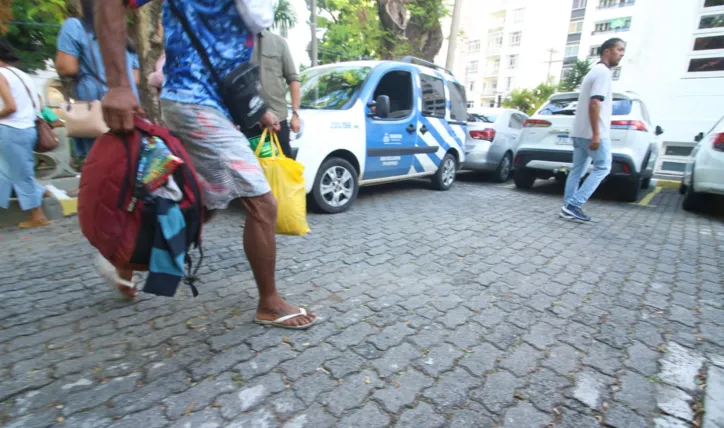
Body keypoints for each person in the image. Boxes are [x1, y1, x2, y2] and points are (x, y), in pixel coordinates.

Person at [94, 0, 317, 329]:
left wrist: (258, 111)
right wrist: (118, 85)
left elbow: (224, 58)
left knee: (197, 205)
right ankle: (269, 303)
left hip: (210, 104)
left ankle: (122, 260)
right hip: (192, 101)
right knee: (262, 203)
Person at [54, 0, 140, 169]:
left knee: (100, 164)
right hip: (130, 103)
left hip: (98, 106)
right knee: (129, 161)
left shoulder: (75, 26)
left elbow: (67, 66)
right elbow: (135, 78)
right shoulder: (126, 39)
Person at [560, 38, 625, 222]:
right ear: (607, 51)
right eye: (619, 50)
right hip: (593, 133)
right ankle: (574, 205)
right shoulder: (603, 73)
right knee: (603, 167)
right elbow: (595, 103)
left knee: (577, 170)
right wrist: (596, 133)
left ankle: (567, 206)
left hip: (579, 132)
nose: (621, 54)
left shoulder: (592, 72)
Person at [0, 39, 50, 229]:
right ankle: (43, 193)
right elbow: (38, 104)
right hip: (28, 128)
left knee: (20, 174)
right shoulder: (22, 74)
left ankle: (37, 214)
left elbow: (10, 107)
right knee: (7, 171)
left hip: (11, 129)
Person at [246, 29, 301, 158]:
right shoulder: (237, 42)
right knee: (251, 173)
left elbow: (293, 79)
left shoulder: (279, 42)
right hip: (249, 123)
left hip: (277, 123)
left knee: (283, 172)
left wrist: (295, 114)